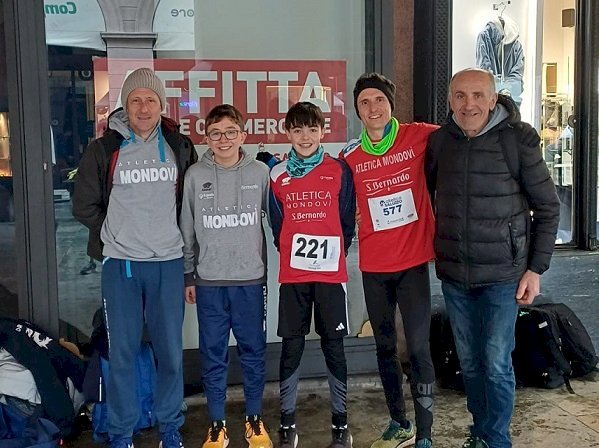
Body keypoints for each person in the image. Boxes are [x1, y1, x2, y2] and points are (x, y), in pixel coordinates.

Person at [425, 68, 560, 448]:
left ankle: (496, 440)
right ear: (450, 100)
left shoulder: (517, 141)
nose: (469, 104)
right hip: (455, 275)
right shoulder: (440, 143)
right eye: (460, 95)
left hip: (504, 275)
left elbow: (548, 208)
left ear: (493, 99)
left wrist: (535, 269)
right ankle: (480, 431)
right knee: (469, 363)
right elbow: (423, 195)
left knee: (497, 362)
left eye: (477, 95)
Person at [72, 67, 197, 448]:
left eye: (151, 100)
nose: (143, 108)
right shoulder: (104, 148)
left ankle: (170, 426)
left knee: (170, 354)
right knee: (122, 354)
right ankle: (122, 432)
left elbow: (189, 203)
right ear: (125, 105)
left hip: (168, 262)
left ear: (162, 105)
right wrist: (115, 232)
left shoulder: (178, 146)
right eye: (136, 100)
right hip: (122, 264)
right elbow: (83, 205)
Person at [339, 72, 437, 448]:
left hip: (412, 262)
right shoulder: (350, 156)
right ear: (357, 110)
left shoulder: (419, 136)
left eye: (379, 99)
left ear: (391, 104)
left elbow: (462, 139)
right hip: (374, 265)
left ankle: (425, 433)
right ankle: (399, 422)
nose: (373, 107)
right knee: (384, 347)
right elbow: (335, 194)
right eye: (364, 102)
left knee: (418, 348)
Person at [179, 104, 272, 448]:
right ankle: (216, 423)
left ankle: (254, 419)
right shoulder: (195, 176)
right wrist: (188, 274)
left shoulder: (260, 173)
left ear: (243, 135)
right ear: (206, 138)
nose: (224, 139)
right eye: (216, 133)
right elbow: (187, 229)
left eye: (231, 132)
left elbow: (280, 217)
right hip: (209, 282)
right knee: (213, 354)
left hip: (250, 281)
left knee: (253, 352)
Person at [269, 102, 356, 448]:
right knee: (292, 346)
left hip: (331, 276)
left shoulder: (339, 170)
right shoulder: (277, 174)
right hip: (294, 277)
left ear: (322, 132)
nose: (305, 137)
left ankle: (341, 424)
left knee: (334, 346)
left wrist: (333, 254)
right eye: (297, 130)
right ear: (288, 133)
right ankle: (287, 423)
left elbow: (347, 220)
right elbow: (277, 225)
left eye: (312, 129)